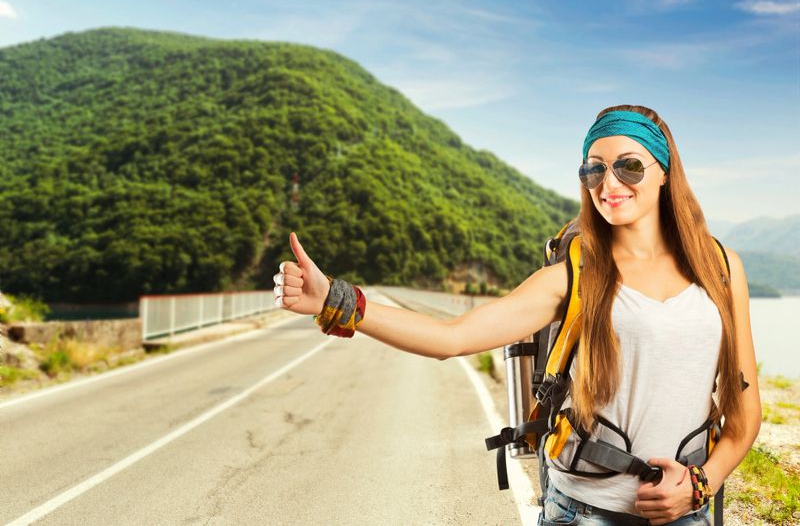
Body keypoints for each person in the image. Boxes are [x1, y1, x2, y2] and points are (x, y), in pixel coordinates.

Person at [272, 104, 761, 525]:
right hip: (584, 511)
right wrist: (338, 302)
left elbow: (744, 415)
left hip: (686, 512)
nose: (609, 183)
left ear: (665, 171)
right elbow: (451, 338)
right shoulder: (574, 275)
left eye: (629, 166)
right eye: (593, 170)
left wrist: (700, 483)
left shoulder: (720, 268)